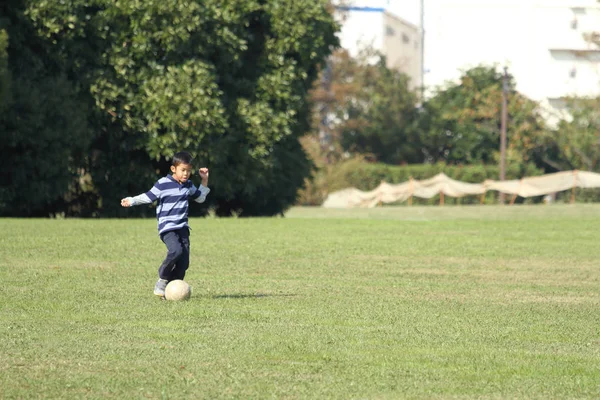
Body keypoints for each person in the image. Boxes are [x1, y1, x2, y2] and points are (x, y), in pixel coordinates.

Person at [120, 151, 210, 298]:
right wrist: (132, 200)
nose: (186, 174)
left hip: (183, 228)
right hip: (167, 227)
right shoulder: (163, 184)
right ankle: (162, 279)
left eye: (188, 170)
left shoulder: (188, 185)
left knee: (184, 263)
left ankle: (172, 291)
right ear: (173, 169)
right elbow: (148, 197)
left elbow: (200, 198)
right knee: (176, 251)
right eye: (183, 170)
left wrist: (204, 180)